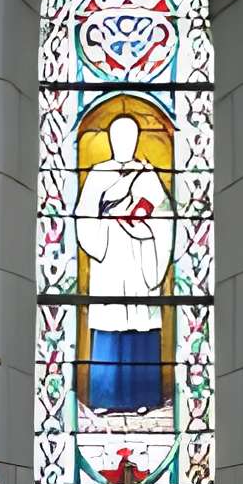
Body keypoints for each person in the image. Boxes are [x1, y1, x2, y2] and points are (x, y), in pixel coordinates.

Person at [74, 113, 172, 411]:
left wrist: (146, 224)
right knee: (111, 321)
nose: (125, 144)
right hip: (110, 257)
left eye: (130, 138)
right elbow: (84, 214)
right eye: (119, 138)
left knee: (140, 325)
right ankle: (105, 398)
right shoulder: (99, 173)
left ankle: (143, 398)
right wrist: (108, 223)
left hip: (140, 254)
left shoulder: (147, 174)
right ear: (112, 140)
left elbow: (165, 212)